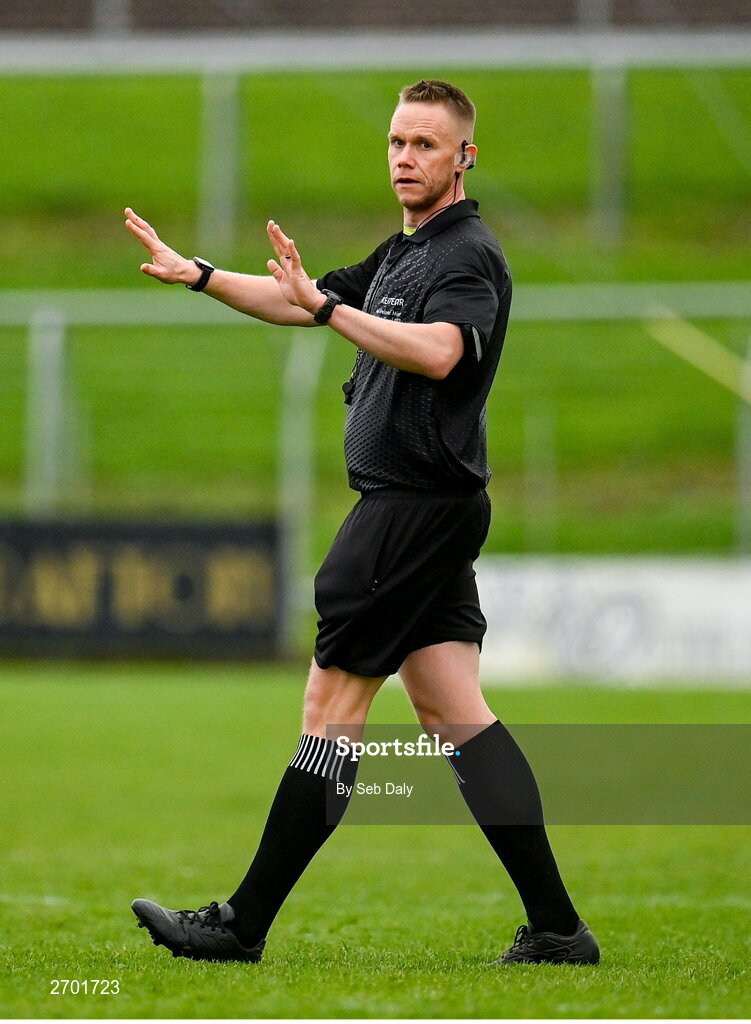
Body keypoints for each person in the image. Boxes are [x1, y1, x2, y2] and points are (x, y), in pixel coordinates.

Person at [126, 79, 599, 967]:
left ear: (464, 157)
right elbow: (295, 300)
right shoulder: (402, 252)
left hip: (410, 512)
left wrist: (337, 310)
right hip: (431, 508)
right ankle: (558, 931)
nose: (403, 159)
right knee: (455, 715)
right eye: (395, 142)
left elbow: (441, 350)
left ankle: (241, 925)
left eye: (424, 144)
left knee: (328, 706)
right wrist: (195, 272)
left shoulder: (466, 255)